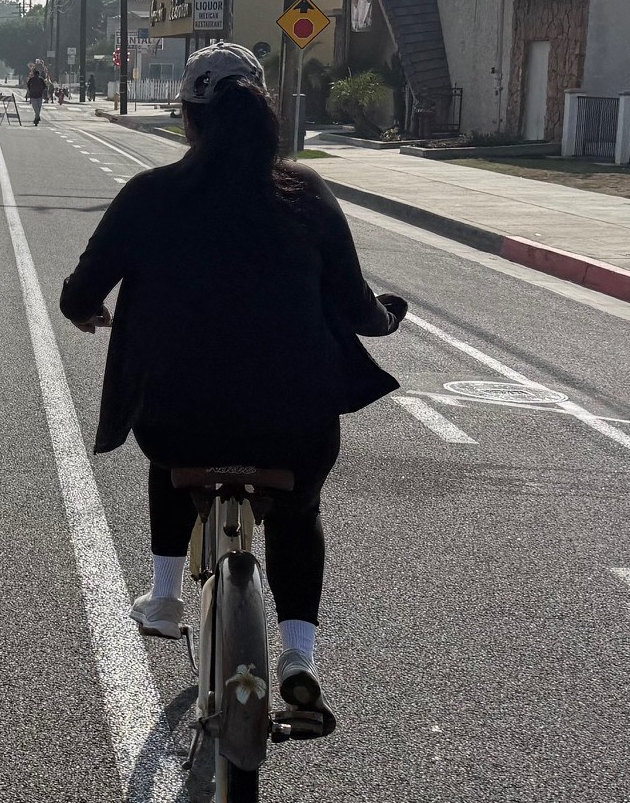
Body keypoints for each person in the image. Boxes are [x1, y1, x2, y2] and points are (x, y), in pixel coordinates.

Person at [57, 44, 406, 719]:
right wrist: (388, 316)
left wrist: (87, 311)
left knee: (169, 449)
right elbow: (356, 305)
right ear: (263, 112)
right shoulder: (304, 192)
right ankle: (298, 658)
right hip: (295, 425)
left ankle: (164, 597)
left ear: (188, 118)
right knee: (298, 514)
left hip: (180, 421)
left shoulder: (150, 194)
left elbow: (81, 291)